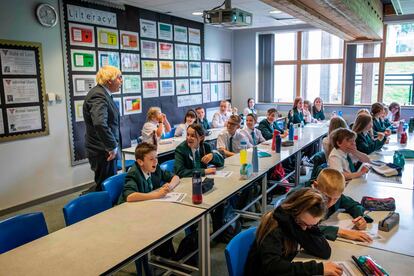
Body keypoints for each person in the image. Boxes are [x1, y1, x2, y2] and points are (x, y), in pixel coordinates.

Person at [245, 188, 341, 276]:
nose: (304, 229)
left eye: (311, 225)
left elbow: (324, 252)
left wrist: (307, 227)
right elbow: (272, 267)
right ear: (292, 211)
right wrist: (318, 268)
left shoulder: (298, 224)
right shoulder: (275, 228)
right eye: (302, 223)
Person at [304, 169, 373, 242]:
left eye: (335, 199)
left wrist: (360, 217)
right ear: (315, 186)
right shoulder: (303, 199)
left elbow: (354, 205)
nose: (330, 203)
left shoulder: (334, 194)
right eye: (326, 197)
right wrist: (340, 232)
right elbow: (304, 227)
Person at [83, 65, 122, 191]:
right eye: (119, 78)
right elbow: (100, 123)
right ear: (109, 80)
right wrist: (112, 146)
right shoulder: (98, 95)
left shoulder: (104, 93)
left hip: (105, 149)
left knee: (109, 184)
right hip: (103, 150)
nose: (121, 81)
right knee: (105, 186)